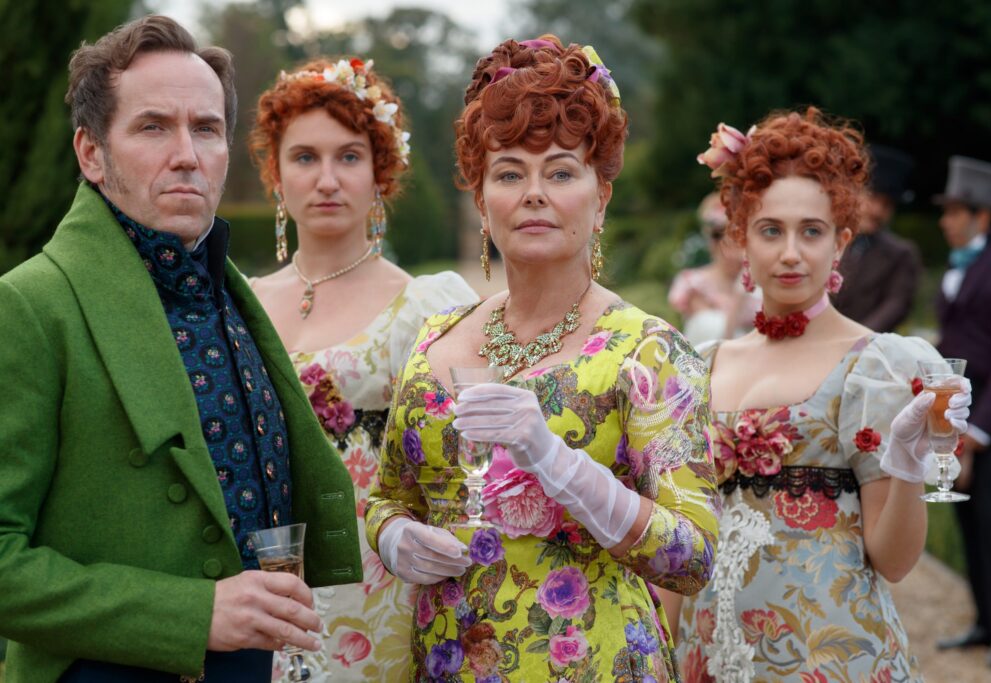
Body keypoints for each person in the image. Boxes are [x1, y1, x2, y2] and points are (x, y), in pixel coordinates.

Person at [0, 16, 361, 682]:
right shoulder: (28, 305)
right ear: (90, 153)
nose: (187, 154)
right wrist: (193, 613)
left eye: (206, 128)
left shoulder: (232, 294)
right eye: (153, 127)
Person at [364, 36, 720, 681]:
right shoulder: (436, 338)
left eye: (559, 172)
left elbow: (693, 558)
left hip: (596, 663)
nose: (534, 193)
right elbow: (390, 496)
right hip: (447, 661)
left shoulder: (648, 351)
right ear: (481, 202)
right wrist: (392, 536)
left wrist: (558, 463)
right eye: (509, 174)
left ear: (600, 195)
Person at [666, 110, 971, 682]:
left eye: (811, 231)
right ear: (740, 238)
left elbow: (895, 562)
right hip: (709, 661)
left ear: (840, 243)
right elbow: (678, 550)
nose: (791, 253)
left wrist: (908, 464)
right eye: (770, 230)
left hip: (834, 662)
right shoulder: (699, 366)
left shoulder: (874, 367)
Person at [247, 57, 478, 680]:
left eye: (348, 157)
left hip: (377, 584)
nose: (327, 179)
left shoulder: (426, 308)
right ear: (277, 175)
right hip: (262, 576)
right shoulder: (238, 302)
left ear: (380, 172)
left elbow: (463, 467)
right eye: (305, 157)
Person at [932, 155, 991, 668]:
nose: (944, 220)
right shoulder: (961, 262)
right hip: (955, 409)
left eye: (953, 211)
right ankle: (984, 621)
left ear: (982, 216)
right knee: (965, 518)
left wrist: (979, 431)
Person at [832, 144, 922, 332]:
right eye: (873, 198)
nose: (877, 211)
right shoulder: (827, 240)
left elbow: (895, 306)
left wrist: (855, 341)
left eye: (887, 205)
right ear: (855, 193)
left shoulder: (901, 254)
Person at [668, 193, 758, 344]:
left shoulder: (762, 283)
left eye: (735, 234)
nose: (726, 241)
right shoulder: (694, 284)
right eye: (717, 234)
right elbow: (715, 340)